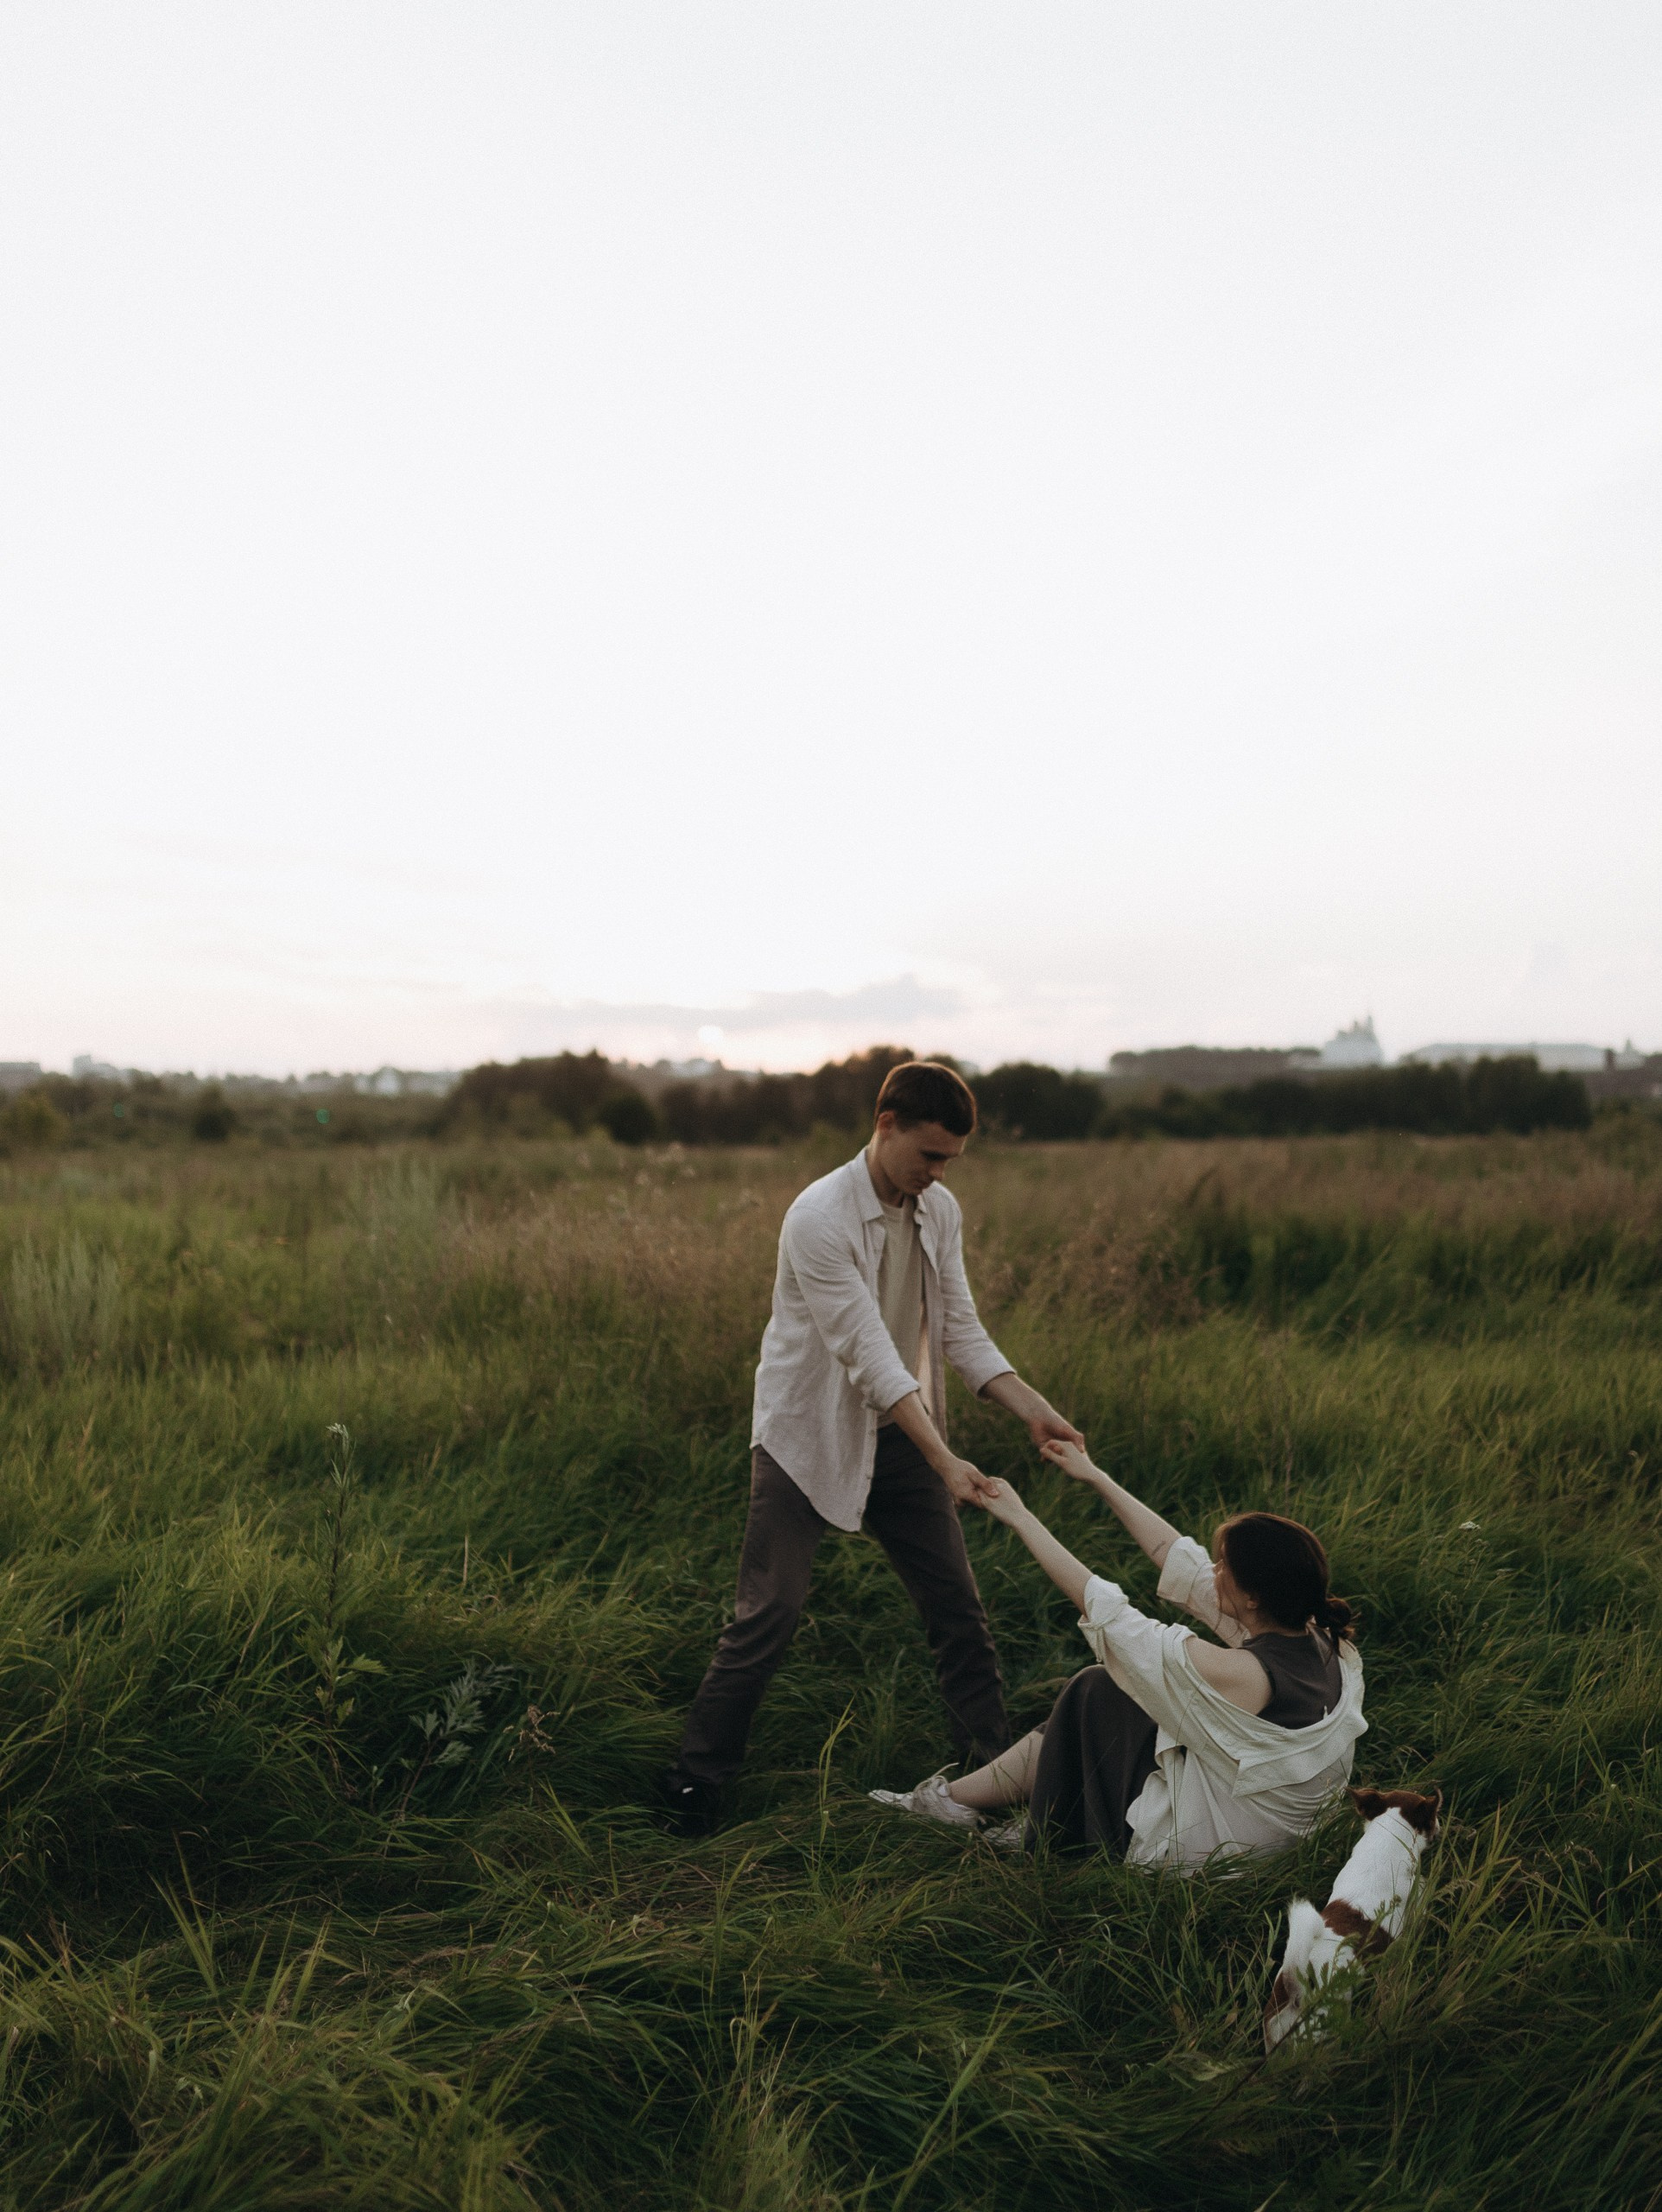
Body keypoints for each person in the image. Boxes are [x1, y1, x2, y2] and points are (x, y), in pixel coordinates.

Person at [659, 1060, 1084, 1835]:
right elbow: (869, 1355)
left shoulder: (938, 1210)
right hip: (808, 1432)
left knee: (957, 1607)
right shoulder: (819, 1216)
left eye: (950, 1159)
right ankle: (695, 1786)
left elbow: (957, 1329)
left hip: (899, 1433)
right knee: (770, 1614)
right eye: (928, 1155)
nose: (938, 1173)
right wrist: (944, 1459)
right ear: (884, 1124)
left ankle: (991, 1785)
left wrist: (1035, 1410)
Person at [870, 1440, 1365, 1866]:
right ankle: (963, 1804)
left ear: (1253, 1597)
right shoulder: (1322, 1638)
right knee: (1120, 1700)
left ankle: (1020, 1827)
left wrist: (1018, 1515)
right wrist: (1094, 1475)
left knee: (1099, 1689)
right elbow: (1174, 1555)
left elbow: (1108, 1613)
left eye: (1223, 1565)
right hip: (1258, 1829)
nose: (1212, 1570)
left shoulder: (1243, 1675)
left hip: (1210, 1853)